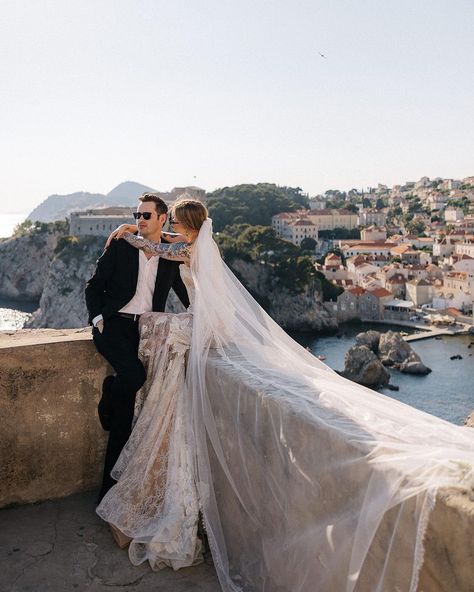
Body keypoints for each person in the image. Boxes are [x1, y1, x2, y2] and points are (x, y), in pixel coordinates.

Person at [97, 198, 474, 592]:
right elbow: (168, 240)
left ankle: (121, 388)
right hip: (210, 321)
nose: (166, 224)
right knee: (160, 327)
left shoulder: (186, 247)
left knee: (156, 327)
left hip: (201, 323)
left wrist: (128, 233)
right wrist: (139, 231)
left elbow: (158, 246)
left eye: (170, 220)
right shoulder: (199, 241)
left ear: (182, 224)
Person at [85, 193, 189, 504]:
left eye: (146, 215)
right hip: (113, 325)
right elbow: (94, 284)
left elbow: (183, 291)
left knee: (124, 417)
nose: (139, 220)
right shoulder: (121, 245)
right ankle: (110, 392)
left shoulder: (169, 254)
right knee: (135, 376)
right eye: (136, 215)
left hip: (143, 331)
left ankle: (109, 491)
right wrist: (98, 316)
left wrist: (204, 314)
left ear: (161, 219)